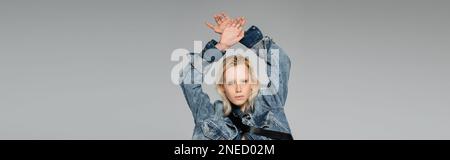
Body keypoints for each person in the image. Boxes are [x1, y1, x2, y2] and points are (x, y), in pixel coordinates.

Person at [179, 13, 293, 140]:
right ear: (222, 87)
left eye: (244, 81)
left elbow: (281, 62)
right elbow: (188, 79)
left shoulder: (270, 104)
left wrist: (240, 35)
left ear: (253, 83)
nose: (238, 88)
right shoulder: (208, 115)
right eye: (231, 82)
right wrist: (221, 46)